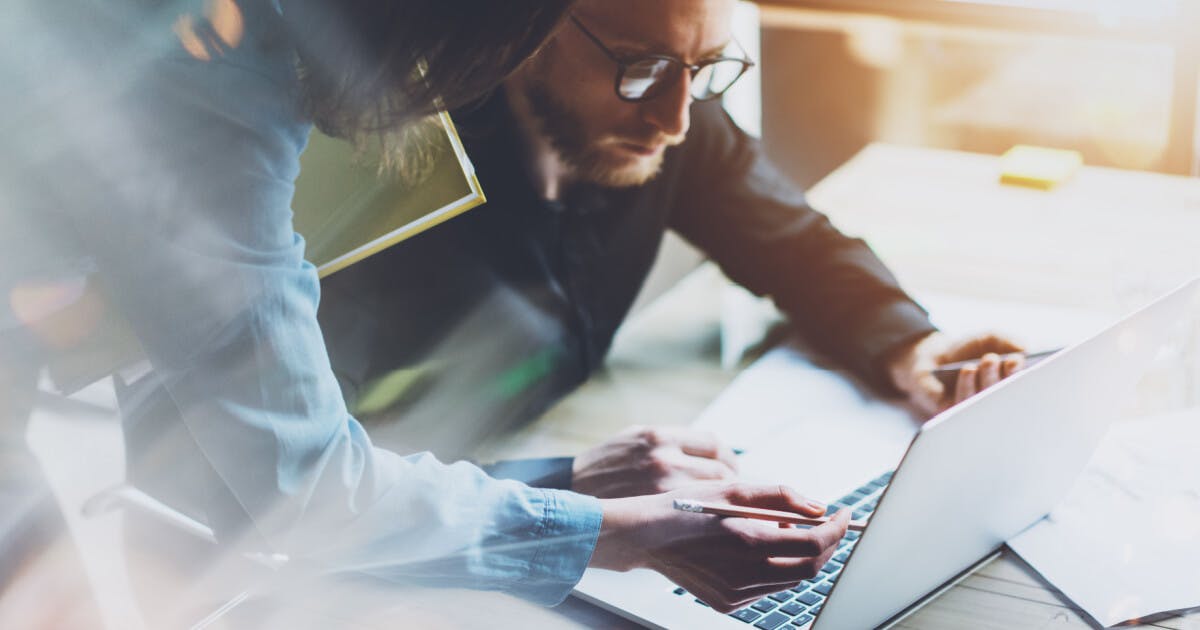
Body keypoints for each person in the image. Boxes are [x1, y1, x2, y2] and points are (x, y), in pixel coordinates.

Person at [0, 0, 849, 623]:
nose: (672, 116)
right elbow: (280, 477)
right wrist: (602, 530)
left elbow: (276, 445)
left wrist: (560, 490)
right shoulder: (218, 81)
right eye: (638, 65)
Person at [318, 0, 1028, 499]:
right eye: (641, 66)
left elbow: (794, 244)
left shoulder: (660, 119)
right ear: (525, 25)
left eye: (705, 67)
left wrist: (910, 347)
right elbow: (305, 479)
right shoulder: (382, 198)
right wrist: (566, 485)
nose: (677, 119)